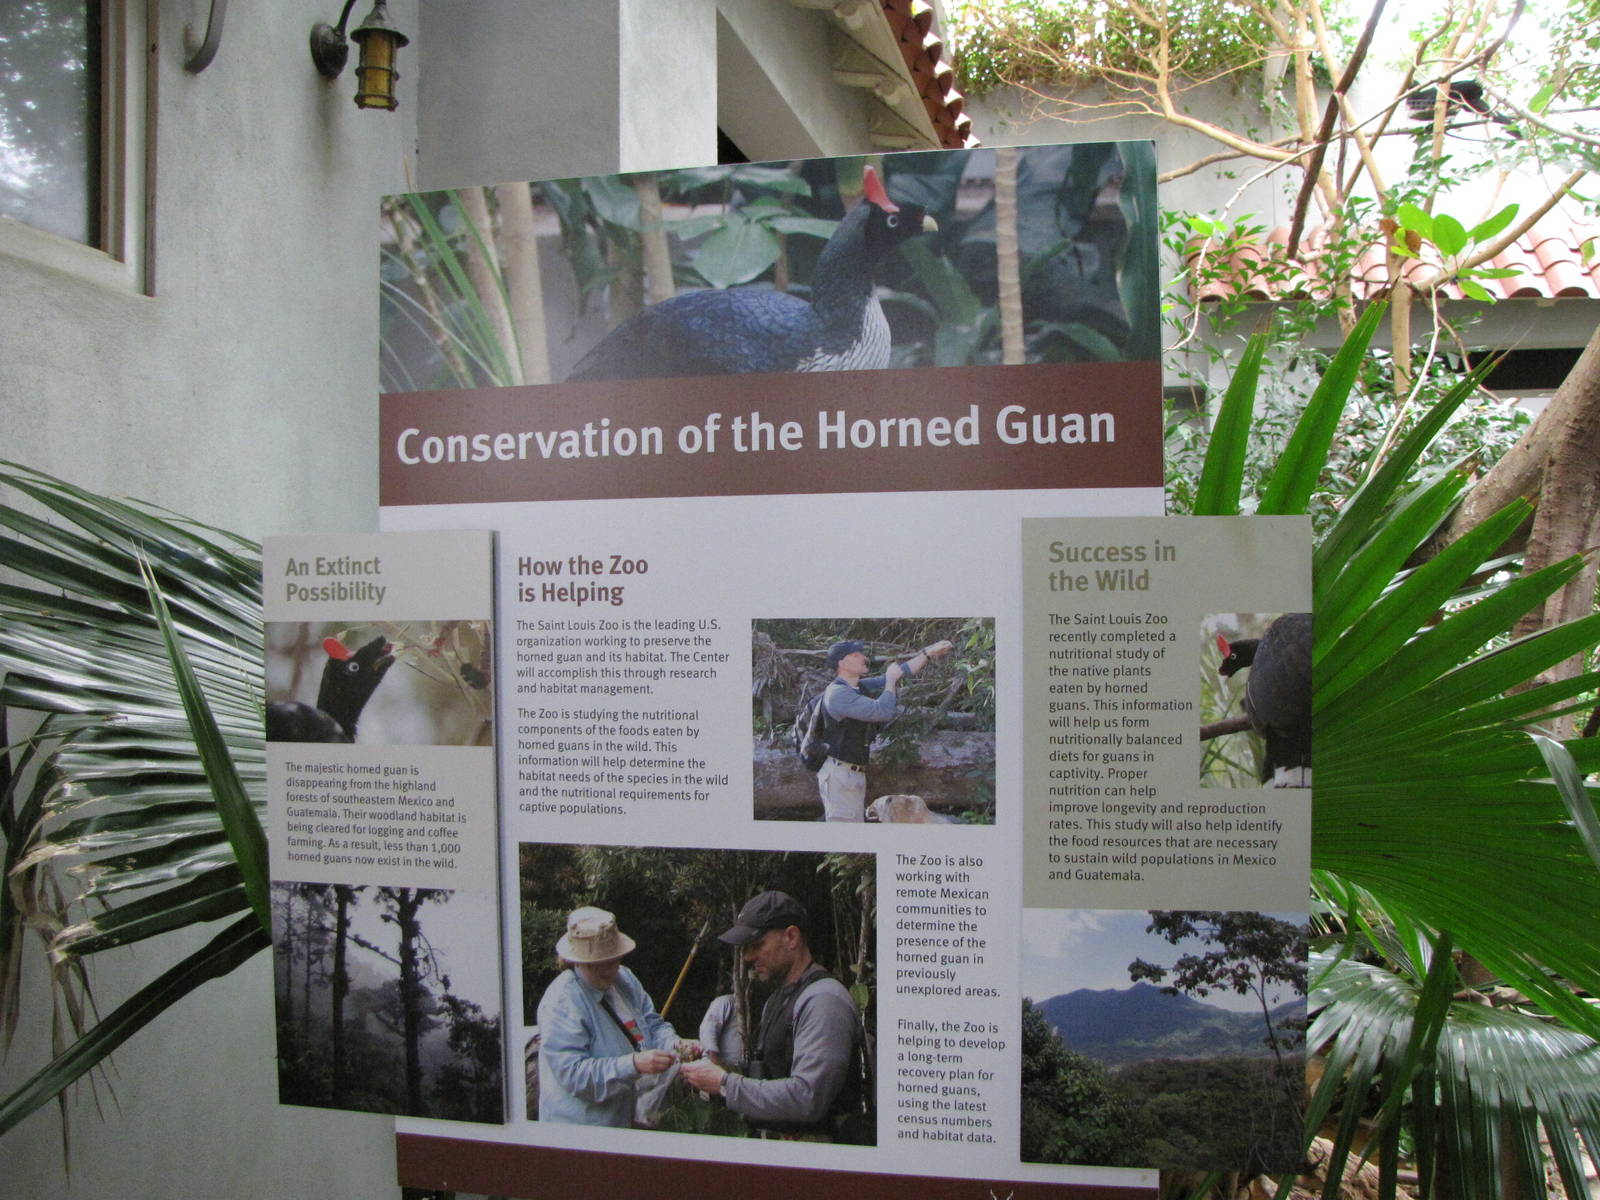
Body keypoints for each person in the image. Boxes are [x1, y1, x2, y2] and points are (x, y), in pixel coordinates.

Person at [680, 891, 868, 1142]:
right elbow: (770, 1075)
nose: (747, 957)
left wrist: (725, 1083)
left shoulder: (824, 1000)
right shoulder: (777, 1001)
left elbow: (807, 1098)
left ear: (791, 937)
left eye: (756, 944)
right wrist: (715, 1067)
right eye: (745, 948)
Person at [536, 906, 690, 1127]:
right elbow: (574, 1075)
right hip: (580, 1132)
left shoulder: (624, 979)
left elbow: (653, 1025)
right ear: (578, 960)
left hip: (624, 1120)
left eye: (613, 959)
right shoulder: (562, 1000)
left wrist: (678, 1046)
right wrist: (634, 1064)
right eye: (597, 963)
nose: (608, 969)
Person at [815, 636, 954, 822]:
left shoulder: (856, 687)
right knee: (844, 837)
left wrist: (929, 653)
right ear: (843, 663)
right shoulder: (838, 694)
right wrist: (890, 681)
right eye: (857, 655)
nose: (864, 658)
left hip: (850, 774)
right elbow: (883, 711)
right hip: (839, 777)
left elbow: (901, 671)